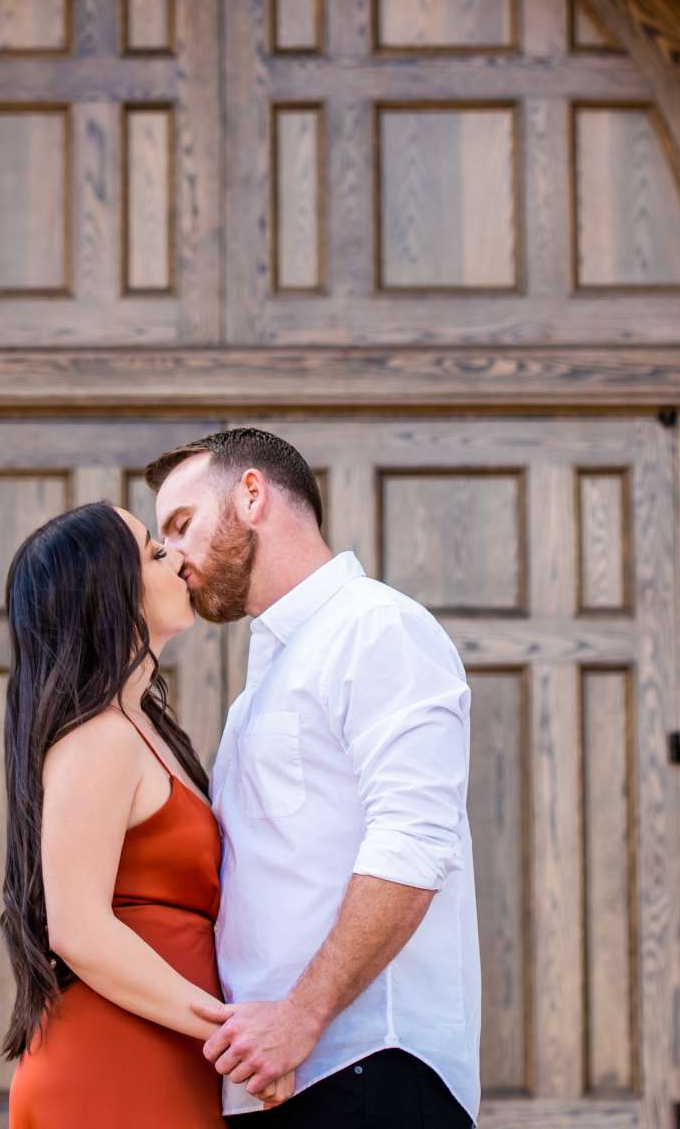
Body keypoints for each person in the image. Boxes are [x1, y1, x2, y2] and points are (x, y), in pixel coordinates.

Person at [148, 429, 481, 1127]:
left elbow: (415, 839)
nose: (171, 556)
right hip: (279, 1081)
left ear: (250, 495)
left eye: (182, 525)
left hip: (369, 1074)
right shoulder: (258, 687)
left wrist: (301, 1015)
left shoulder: (376, 626)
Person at [0, 500, 296, 1126]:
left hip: (163, 1049)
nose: (179, 557)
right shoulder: (99, 740)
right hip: (114, 1059)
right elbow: (77, 930)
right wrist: (235, 1037)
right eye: (155, 553)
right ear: (110, 594)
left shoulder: (145, 730)